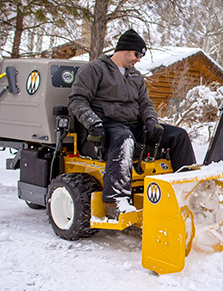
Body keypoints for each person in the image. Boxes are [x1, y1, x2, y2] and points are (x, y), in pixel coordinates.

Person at [68, 29, 196, 220]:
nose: (139, 59)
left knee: (179, 135)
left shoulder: (135, 76)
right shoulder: (94, 70)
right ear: (124, 50)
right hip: (106, 125)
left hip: (132, 124)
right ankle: (115, 201)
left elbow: (145, 104)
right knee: (124, 138)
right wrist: (93, 122)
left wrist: (152, 120)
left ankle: (188, 190)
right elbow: (77, 100)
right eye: (137, 54)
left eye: (141, 55)